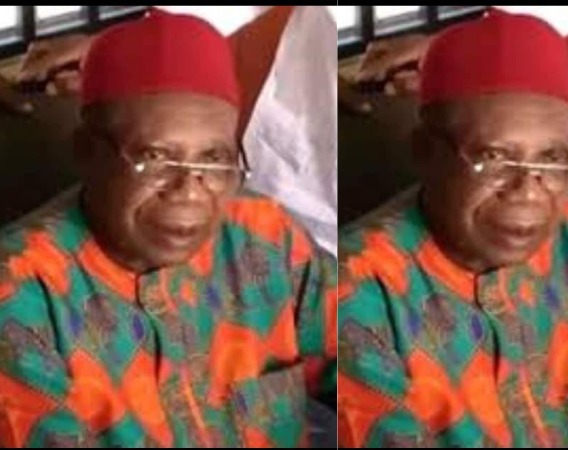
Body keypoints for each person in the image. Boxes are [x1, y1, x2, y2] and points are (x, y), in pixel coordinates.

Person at [0, 10, 336, 448]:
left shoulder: (265, 234)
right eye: (155, 158)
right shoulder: (20, 295)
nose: (190, 190)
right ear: (86, 152)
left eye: (213, 160)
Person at [338, 9, 568, 448]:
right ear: (424, 152)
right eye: (494, 158)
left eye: (552, 160)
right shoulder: (360, 293)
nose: (529, 189)